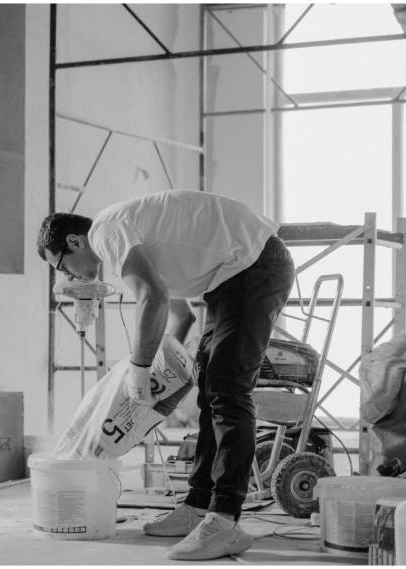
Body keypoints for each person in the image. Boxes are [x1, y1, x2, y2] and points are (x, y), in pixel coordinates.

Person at [36, 190, 295, 561]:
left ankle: (225, 521)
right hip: (233, 275)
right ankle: (198, 506)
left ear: (75, 241)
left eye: (61, 265)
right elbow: (182, 315)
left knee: (228, 391)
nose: (67, 275)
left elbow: (152, 297)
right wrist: (167, 367)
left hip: (254, 265)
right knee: (212, 390)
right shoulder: (132, 241)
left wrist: (139, 372)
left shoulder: (106, 232)